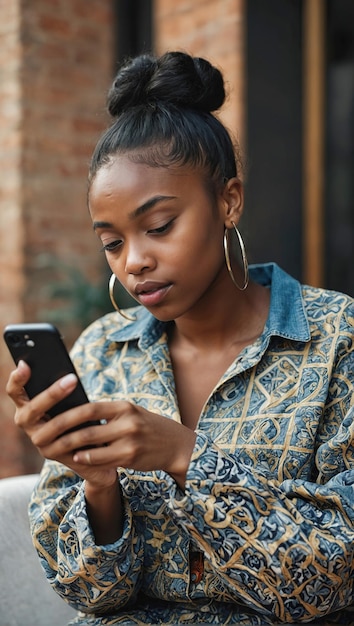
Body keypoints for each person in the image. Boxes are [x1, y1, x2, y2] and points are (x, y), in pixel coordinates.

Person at [6, 51, 354, 626]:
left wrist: (184, 456)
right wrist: (98, 486)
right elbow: (87, 594)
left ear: (229, 201)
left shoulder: (336, 338)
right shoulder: (102, 352)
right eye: (112, 243)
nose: (135, 261)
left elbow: (333, 574)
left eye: (159, 226)